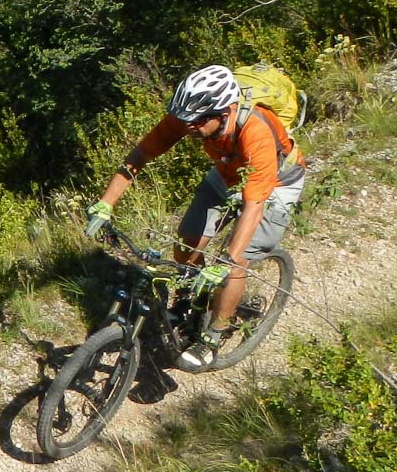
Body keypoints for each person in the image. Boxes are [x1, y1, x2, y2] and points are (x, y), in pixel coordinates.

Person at [84, 65, 306, 371]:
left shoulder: (256, 132)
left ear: (225, 111)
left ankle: (211, 338)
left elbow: (255, 205)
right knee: (187, 242)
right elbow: (139, 155)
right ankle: (191, 301)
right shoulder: (191, 117)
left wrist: (227, 260)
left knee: (236, 262)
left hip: (277, 184)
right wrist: (105, 204)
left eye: (198, 122)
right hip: (227, 172)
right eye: (186, 121)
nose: (189, 128)